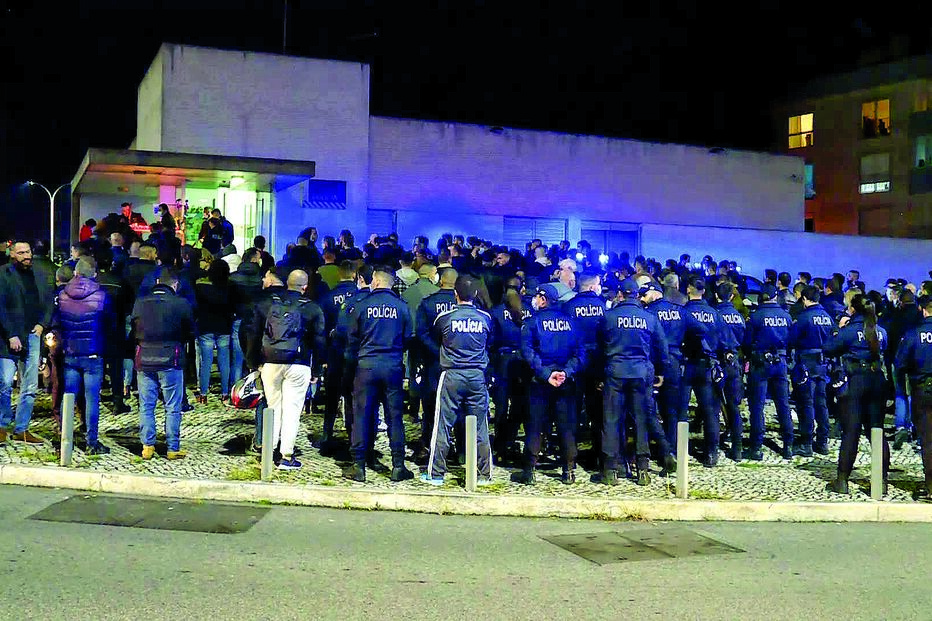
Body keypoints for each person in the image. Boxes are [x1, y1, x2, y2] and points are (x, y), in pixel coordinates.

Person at [598, 279, 674, 486]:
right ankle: (642, 470)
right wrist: (660, 372)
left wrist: (599, 375)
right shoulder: (649, 318)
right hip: (641, 373)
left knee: (612, 421)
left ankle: (611, 470)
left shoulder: (609, 317)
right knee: (641, 420)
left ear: (620, 294)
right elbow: (662, 349)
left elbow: (599, 348)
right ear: (636, 295)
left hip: (615, 372)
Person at [342, 267, 414, 483]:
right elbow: (409, 338)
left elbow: (351, 339)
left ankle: (359, 465)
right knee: (395, 417)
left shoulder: (362, 305)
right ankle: (398, 466)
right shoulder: (402, 307)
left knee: (362, 416)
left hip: (366, 366)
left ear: (376, 281)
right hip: (392, 366)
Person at [421, 274, 495, 486]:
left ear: (455, 294)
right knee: (481, 425)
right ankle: (484, 474)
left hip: (452, 374)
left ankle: (436, 474)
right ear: (476, 295)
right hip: (477, 375)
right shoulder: (485, 318)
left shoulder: (445, 317)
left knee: (442, 424)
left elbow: (436, 337)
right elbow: (490, 341)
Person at [248, 270, 325, 470]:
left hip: (270, 362)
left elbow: (253, 334)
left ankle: (269, 450)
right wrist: (317, 370)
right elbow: (319, 341)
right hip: (299, 363)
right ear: (305, 286)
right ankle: (286, 456)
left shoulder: (268, 305)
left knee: (273, 407)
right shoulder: (312, 309)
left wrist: (254, 361)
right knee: (292, 410)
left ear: (286, 284)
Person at [513, 283, 584, 485]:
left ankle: (529, 471)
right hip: (565, 382)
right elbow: (580, 354)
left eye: (537, 297)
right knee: (566, 426)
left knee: (535, 425)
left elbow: (527, 352)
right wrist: (565, 372)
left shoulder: (533, 322)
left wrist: (546, 374)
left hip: (539, 381)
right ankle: (568, 470)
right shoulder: (571, 323)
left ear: (543, 300)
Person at [824, 294, 889, 495]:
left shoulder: (850, 331)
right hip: (876, 379)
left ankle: (842, 480)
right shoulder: (880, 332)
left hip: (855, 380)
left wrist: (839, 329)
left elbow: (828, 348)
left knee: (851, 432)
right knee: (876, 431)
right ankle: (881, 481)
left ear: (853, 310)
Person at [131, 268, 194, 460]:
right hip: (171, 357)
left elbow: (133, 329)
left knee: (146, 405)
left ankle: (147, 446)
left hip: (145, 357)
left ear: (158, 281)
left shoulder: (140, 303)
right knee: (172, 405)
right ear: (175, 285)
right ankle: (172, 447)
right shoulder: (181, 303)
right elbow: (190, 331)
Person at [53, 257, 114, 454]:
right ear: (94, 274)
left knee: (68, 395)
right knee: (92, 399)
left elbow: (57, 324)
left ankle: (65, 438)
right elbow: (110, 324)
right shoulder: (102, 296)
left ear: (75, 273)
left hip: (70, 352)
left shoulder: (62, 295)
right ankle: (92, 442)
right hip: (93, 353)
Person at [0, 241, 54, 444]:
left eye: (28, 251)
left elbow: (48, 300)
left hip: (32, 334)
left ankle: (22, 428)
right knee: (4, 383)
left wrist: (42, 324)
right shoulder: (3, 274)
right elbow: (1, 307)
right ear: (12, 254)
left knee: (30, 384)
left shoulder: (39, 273)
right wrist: (11, 334)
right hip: (7, 338)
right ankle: (2, 425)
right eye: (21, 252)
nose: (26, 255)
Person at [743, 283, 794, 460]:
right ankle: (788, 446)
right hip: (780, 361)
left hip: (760, 362)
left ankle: (756, 448)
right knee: (783, 404)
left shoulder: (756, 317)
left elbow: (747, 342)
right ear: (774, 297)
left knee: (757, 406)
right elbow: (791, 339)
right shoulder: (786, 316)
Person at [561, 272, 606, 465]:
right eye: (598, 284)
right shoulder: (603, 306)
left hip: (576, 361)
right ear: (591, 287)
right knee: (597, 410)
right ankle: (598, 453)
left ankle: (570, 456)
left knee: (573, 409)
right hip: (597, 362)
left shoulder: (568, 306)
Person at [640, 281, 686, 464]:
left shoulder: (649, 313)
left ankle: (659, 449)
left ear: (654, 293)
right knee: (671, 410)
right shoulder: (680, 311)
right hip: (674, 362)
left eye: (645, 294)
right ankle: (672, 450)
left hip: (653, 364)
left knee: (649, 409)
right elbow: (701, 330)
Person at [681, 275, 725, 467]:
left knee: (680, 410)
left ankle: (678, 450)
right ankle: (711, 453)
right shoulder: (714, 313)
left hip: (687, 364)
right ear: (704, 291)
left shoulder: (683, 312)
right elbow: (722, 339)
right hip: (707, 364)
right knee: (710, 411)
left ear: (688, 289)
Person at [415, 269, 459, 457]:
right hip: (458, 363)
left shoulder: (428, 303)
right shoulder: (464, 304)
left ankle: (428, 444)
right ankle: (459, 448)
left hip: (434, 362)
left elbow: (421, 333)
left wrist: (438, 351)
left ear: (440, 281)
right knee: (458, 406)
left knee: (431, 407)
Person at [893, 294, 932, 499]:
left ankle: (931, 486)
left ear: (923, 310)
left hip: (923, 389)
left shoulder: (914, 333)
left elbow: (900, 363)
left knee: (928, 439)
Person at [788, 285, 834, 456]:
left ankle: (806, 442)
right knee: (821, 403)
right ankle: (822, 441)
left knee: (806, 403)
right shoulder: (827, 318)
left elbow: (792, 339)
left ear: (805, 299)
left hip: (806, 363)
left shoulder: (804, 317)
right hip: (822, 364)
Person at [489, 277, 532, 463]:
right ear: (522, 290)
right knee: (519, 404)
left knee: (501, 405)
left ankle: (500, 445)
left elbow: (490, 341)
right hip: (524, 362)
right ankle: (512, 441)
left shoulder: (496, 312)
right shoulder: (530, 311)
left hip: (503, 361)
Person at [318, 260, 359, 452]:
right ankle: (352, 437)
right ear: (355, 275)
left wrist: (323, 358)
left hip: (334, 353)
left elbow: (322, 329)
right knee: (352, 397)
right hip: (355, 354)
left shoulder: (328, 298)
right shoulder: (361, 297)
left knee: (331, 398)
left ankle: (327, 434)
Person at [714, 282, 746, 460]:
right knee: (734, 407)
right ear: (732, 297)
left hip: (718, 362)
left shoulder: (715, 315)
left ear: (717, 296)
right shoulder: (738, 316)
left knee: (713, 405)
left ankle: (712, 448)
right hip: (734, 362)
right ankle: (737, 447)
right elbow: (743, 338)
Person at [194, 260, 233, 404]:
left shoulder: (201, 287)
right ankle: (225, 393)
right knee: (224, 360)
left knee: (206, 361)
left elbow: (196, 307)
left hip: (206, 326)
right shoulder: (230, 287)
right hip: (224, 326)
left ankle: (203, 393)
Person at [229, 247, 265, 385]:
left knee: (237, 358)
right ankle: (254, 388)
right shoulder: (261, 278)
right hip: (256, 319)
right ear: (254, 259)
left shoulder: (233, 277)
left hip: (238, 317)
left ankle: (236, 389)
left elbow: (230, 299)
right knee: (255, 355)